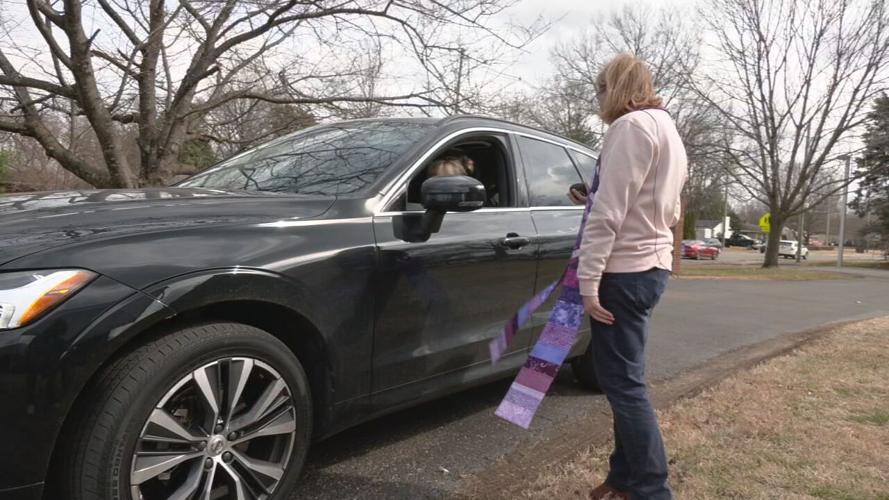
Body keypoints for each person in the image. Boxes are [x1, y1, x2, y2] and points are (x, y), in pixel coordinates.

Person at [574, 53, 687, 500]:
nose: (599, 99)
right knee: (625, 379)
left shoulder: (630, 128)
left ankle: (651, 490)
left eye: (601, 89)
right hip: (650, 266)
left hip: (622, 271)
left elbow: (608, 213)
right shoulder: (668, 130)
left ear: (615, 88)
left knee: (624, 386)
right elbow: (672, 208)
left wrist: (587, 281)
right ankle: (624, 478)